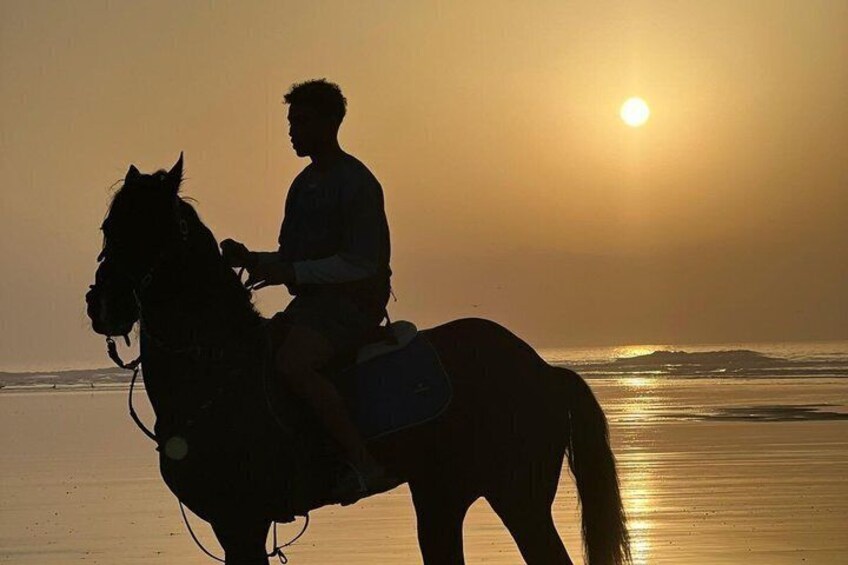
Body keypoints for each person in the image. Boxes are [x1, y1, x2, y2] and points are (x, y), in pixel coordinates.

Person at [221, 78, 393, 496]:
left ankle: (364, 463)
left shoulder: (357, 181)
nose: (292, 131)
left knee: (294, 364)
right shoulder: (301, 185)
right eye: (290, 122)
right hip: (312, 308)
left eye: (301, 122)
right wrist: (252, 260)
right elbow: (290, 259)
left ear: (330, 123)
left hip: (352, 306)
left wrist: (293, 272)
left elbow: (361, 262)